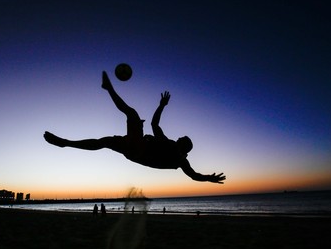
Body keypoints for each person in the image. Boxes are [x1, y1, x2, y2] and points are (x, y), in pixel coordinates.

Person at [44, 71, 226, 184]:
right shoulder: (178, 156)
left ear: (184, 146)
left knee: (131, 114)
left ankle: (108, 89)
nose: (178, 138)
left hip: (139, 148)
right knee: (104, 141)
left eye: (182, 139)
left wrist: (162, 106)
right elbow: (194, 175)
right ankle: (66, 143)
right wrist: (209, 178)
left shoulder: (176, 154)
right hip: (134, 148)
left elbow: (194, 175)